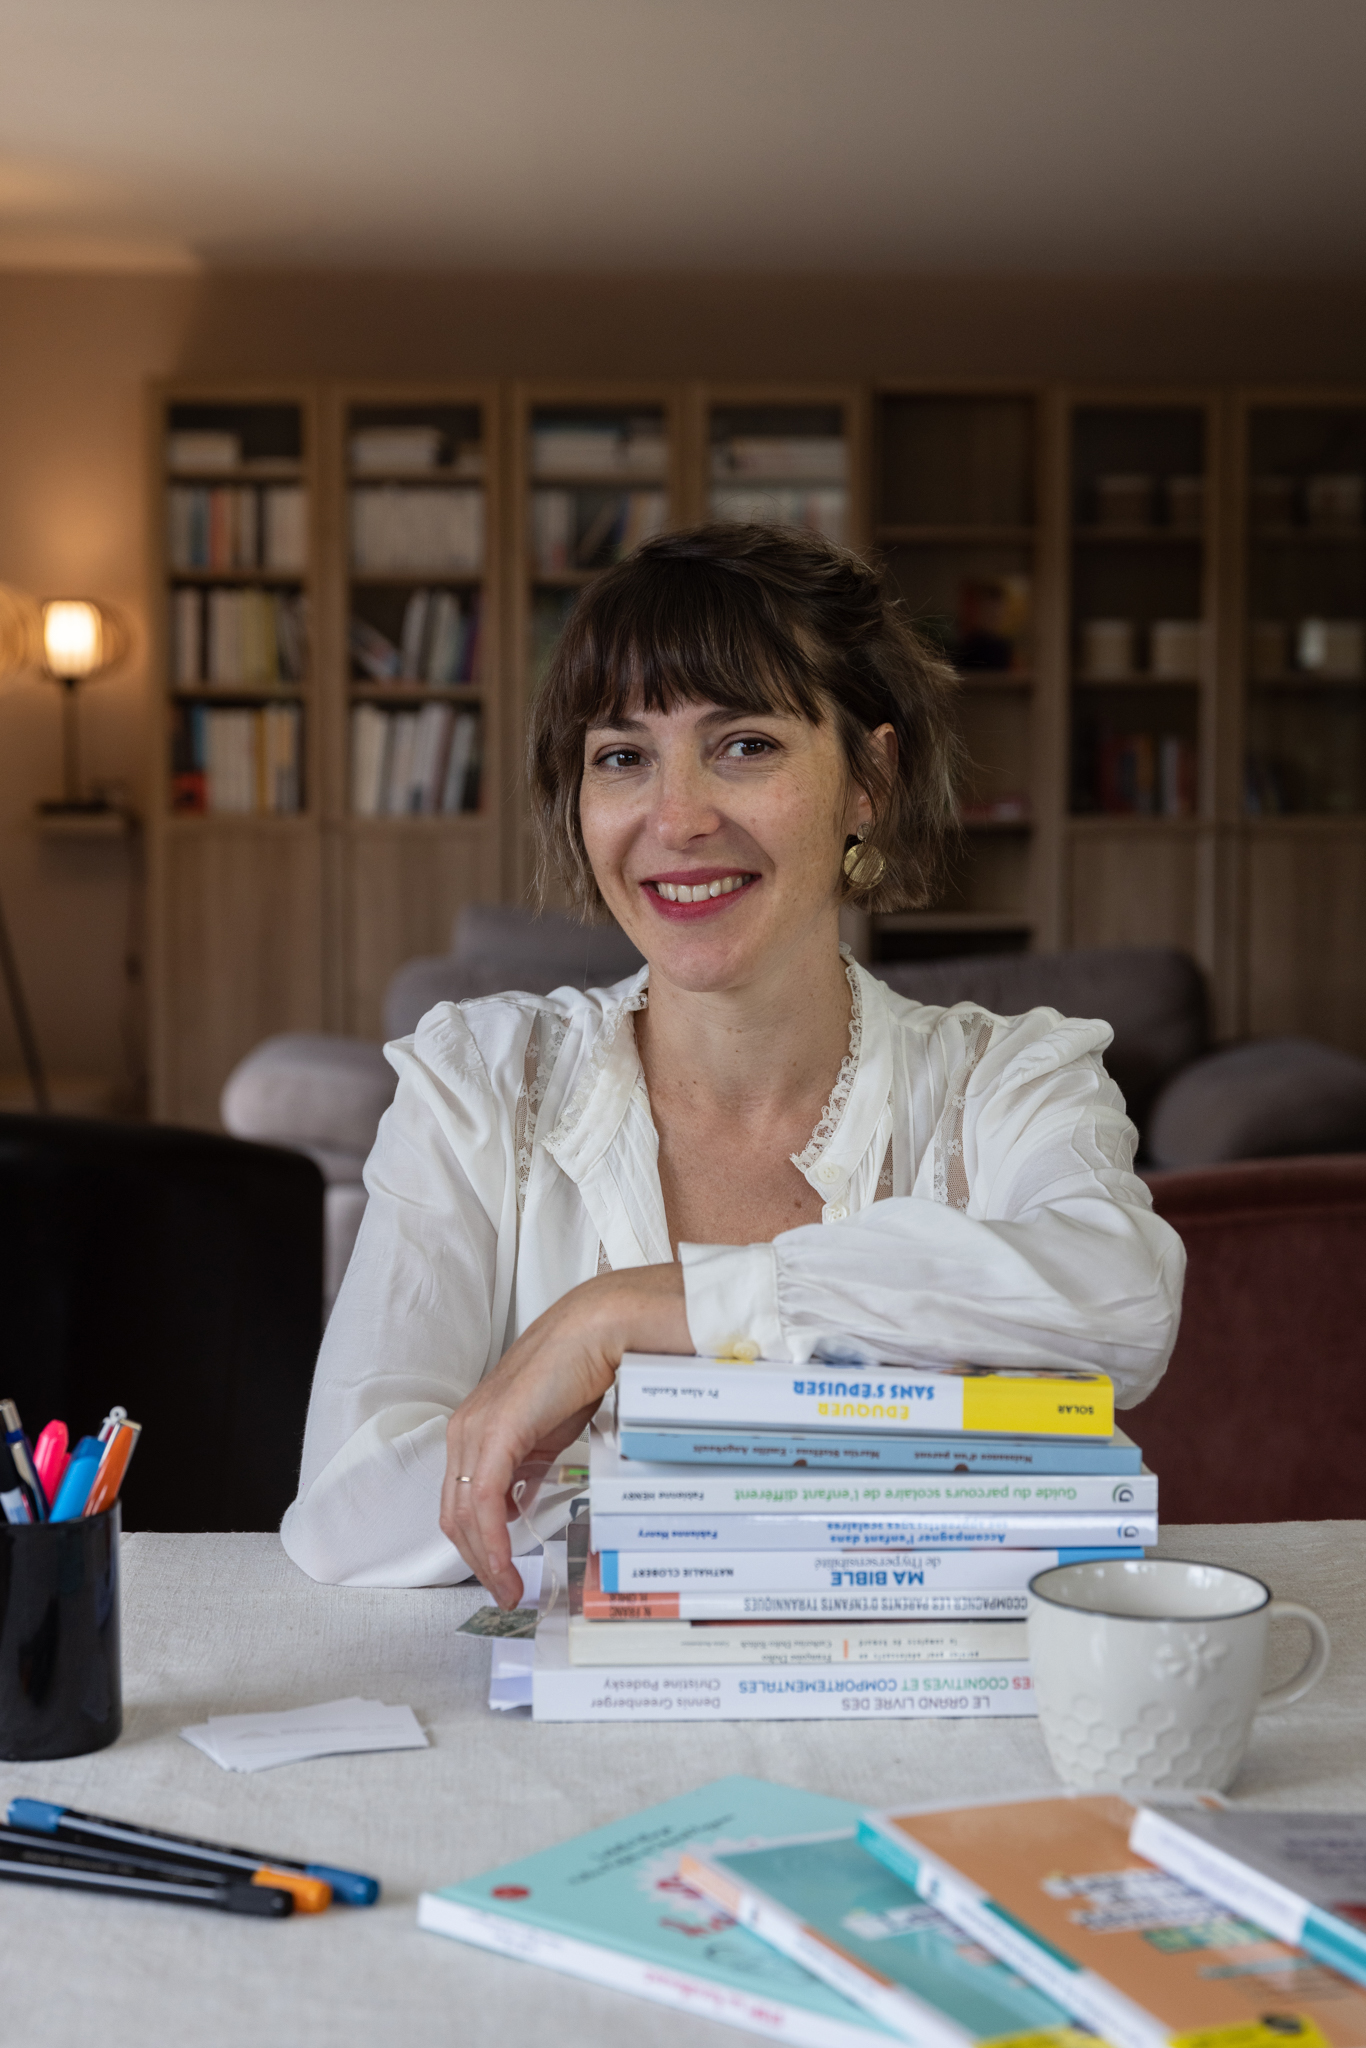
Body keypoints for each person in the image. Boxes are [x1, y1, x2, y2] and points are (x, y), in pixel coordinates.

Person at [281, 523, 1184, 1605]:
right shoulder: (478, 1081)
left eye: (745, 744)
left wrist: (629, 1316)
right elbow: (344, 1514)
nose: (677, 819)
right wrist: (742, 1468)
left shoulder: (1010, 1078)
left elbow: (1124, 1299)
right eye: (622, 757)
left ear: (869, 777)